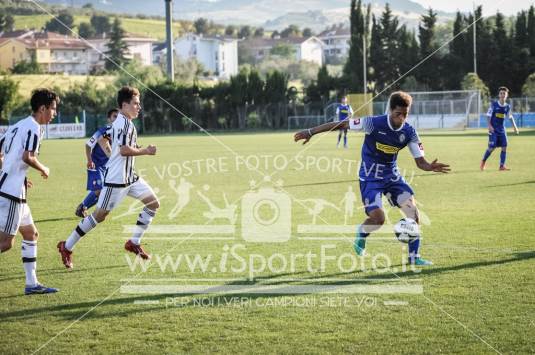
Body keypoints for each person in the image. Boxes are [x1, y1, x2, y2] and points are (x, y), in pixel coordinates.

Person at [294, 91, 450, 266]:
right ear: (390, 110)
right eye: (398, 114)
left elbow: (420, 162)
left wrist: (429, 166)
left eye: (405, 114)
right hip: (370, 177)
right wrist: (311, 131)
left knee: (413, 212)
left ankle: (414, 257)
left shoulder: (409, 132)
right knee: (378, 218)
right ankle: (362, 233)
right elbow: (341, 124)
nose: (402, 118)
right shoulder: (373, 123)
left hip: (392, 176)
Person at [57, 86, 160, 269]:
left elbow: (115, 144)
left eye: (139, 103)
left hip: (131, 178)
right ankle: (67, 246)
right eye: (136, 103)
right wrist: (146, 151)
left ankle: (133, 242)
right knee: (98, 216)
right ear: (124, 104)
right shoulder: (124, 124)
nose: (139, 107)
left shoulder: (123, 122)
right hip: (116, 181)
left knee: (153, 203)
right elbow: (124, 150)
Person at [0, 88, 60, 294]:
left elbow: (2, 153)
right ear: (42, 108)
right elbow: (28, 156)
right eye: (53, 109)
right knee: (6, 242)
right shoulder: (34, 127)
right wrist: (44, 169)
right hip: (12, 193)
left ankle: (31, 284)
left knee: (31, 233)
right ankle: (32, 284)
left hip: (14, 189)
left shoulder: (18, 125)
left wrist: (16, 174)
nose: (55, 113)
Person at [75, 108, 118, 217]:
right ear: (109, 119)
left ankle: (82, 207)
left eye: (119, 117)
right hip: (96, 165)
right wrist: (89, 160)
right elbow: (88, 145)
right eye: (114, 116)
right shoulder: (104, 130)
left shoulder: (119, 132)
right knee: (101, 189)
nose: (117, 119)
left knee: (103, 191)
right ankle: (83, 207)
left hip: (107, 167)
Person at [480, 86, 519, 171]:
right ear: (499, 94)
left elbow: (510, 117)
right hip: (493, 129)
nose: (502, 95)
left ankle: (502, 166)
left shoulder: (507, 107)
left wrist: (515, 127)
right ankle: (483, 161)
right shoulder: (494, 105)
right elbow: (488, 116)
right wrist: (489, 126)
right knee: (492, 148)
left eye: (504, 93)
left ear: (507, 95)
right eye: (501, 93)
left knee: (504, 146)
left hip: (502, 130)